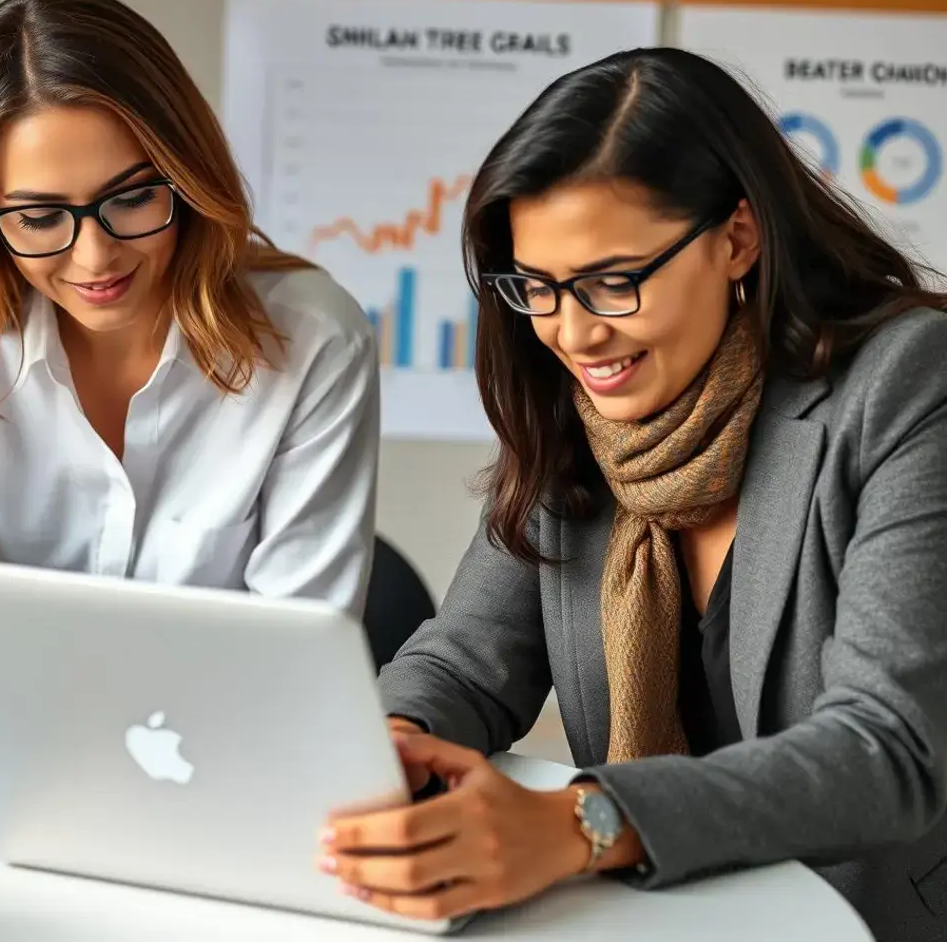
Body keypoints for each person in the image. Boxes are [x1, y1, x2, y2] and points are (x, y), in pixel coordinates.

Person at [317, 48, 947, 942]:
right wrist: (391, 740)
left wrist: (584, 822)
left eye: (615, 280)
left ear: (737, 237)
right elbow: (465, 659)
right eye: (537, 287)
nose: (573, 332)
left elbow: (885, 752)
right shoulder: (587, 416)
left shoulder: (908, 386)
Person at [0, 0, 379, 732]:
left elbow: (297, 652)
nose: (96, 256)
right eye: (40, 217)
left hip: (228, 751)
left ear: (187, 173)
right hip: (30, 750)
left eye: (133, 198)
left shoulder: (311, 341)